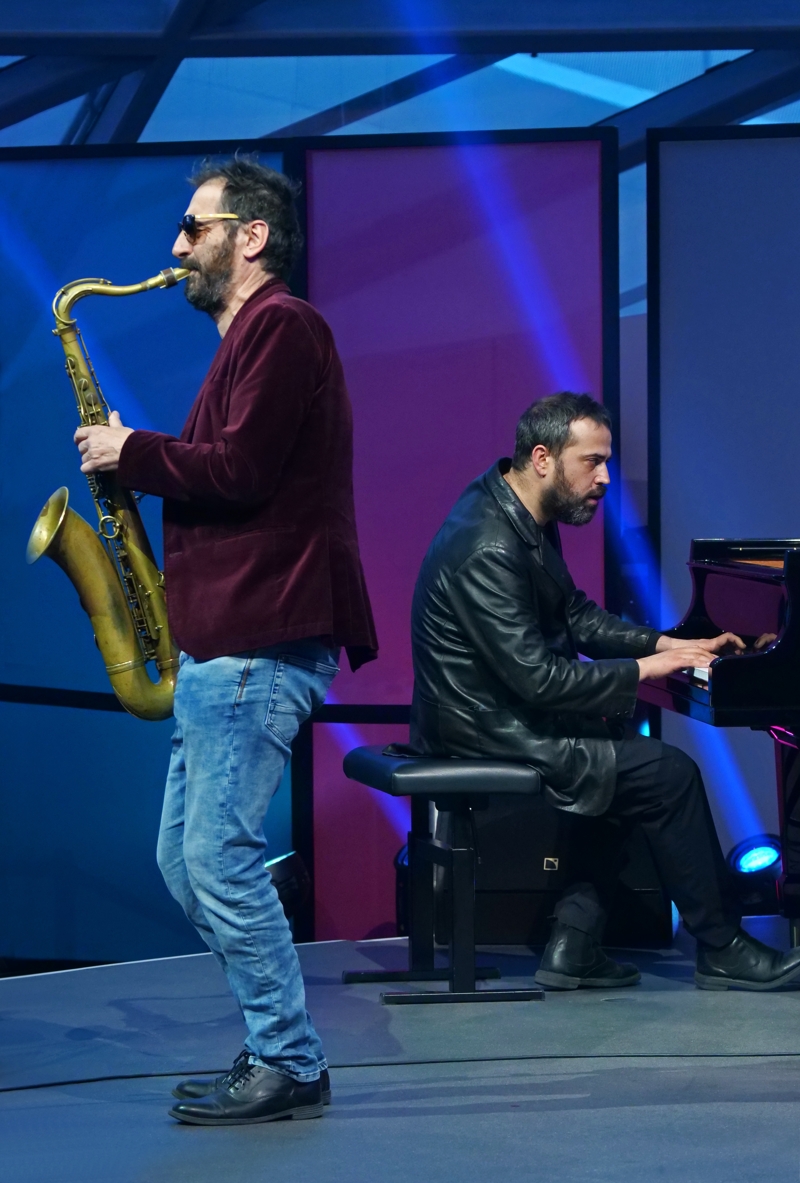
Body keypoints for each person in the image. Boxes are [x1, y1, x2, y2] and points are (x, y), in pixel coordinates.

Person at [75, 157, 377, 1125]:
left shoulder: (285, 326)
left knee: (218, 858)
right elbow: (229, 464)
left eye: (192, 227)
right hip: (226, 642)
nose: (175, 247)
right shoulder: (249, 338)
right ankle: (275, 1038)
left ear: (252, 235)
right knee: (186, 862)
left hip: (261, 635)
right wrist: (140, 460)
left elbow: (241, 469)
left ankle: (289, 1057)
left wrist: (133, 452)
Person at [410, 392, 800, 992]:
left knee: (622, 756)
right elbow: (539, 679)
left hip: (499, 712)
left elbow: (574, 615)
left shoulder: (522, 510)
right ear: (543, 458)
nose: (605, 479)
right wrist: (647, 668)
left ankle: (573, 945)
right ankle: (722, 947)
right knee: (668, 776)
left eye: (606, 462)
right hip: (479, 728)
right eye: (591, 461)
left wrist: (669, 642)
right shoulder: (490, 545)